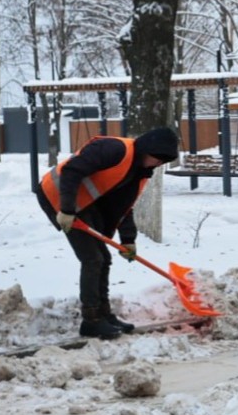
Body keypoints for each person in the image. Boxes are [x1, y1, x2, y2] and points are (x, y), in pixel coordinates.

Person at [37, 127, 180, 339]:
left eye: (163, 161)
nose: (158, 163)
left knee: (103, 257)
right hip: (58, 195)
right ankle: (91, 321)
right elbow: (71, 171)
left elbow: (124, 206)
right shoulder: (113, 149)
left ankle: (104, 315)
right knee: (92, 258)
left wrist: (128, 240)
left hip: (85, 203)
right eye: (157, 157)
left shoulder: (138, 172)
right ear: (146, 149)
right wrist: (66, 210)